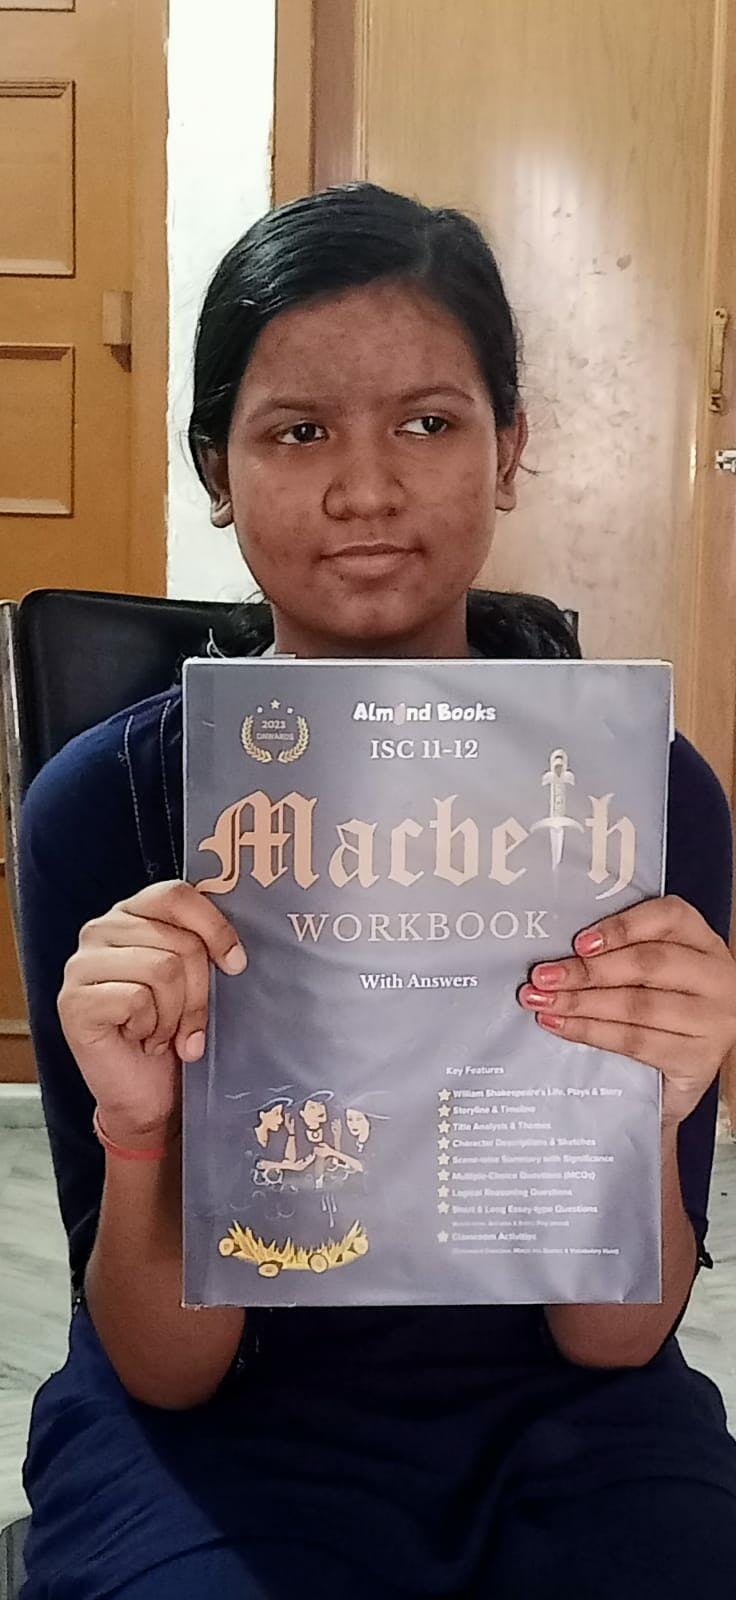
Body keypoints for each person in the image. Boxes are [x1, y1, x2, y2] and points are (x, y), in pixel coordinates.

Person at [17, 183, 736, 1599]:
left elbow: (614, 1340)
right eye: (298, 431)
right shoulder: (106, 808)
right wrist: (144, 1132)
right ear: (217, 467)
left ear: (508, 448)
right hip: (219, 1421)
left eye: (428, 423)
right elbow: (166, 1370)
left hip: (560, 1411)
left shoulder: (644, 799)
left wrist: (653, 1111)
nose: (366, 488)